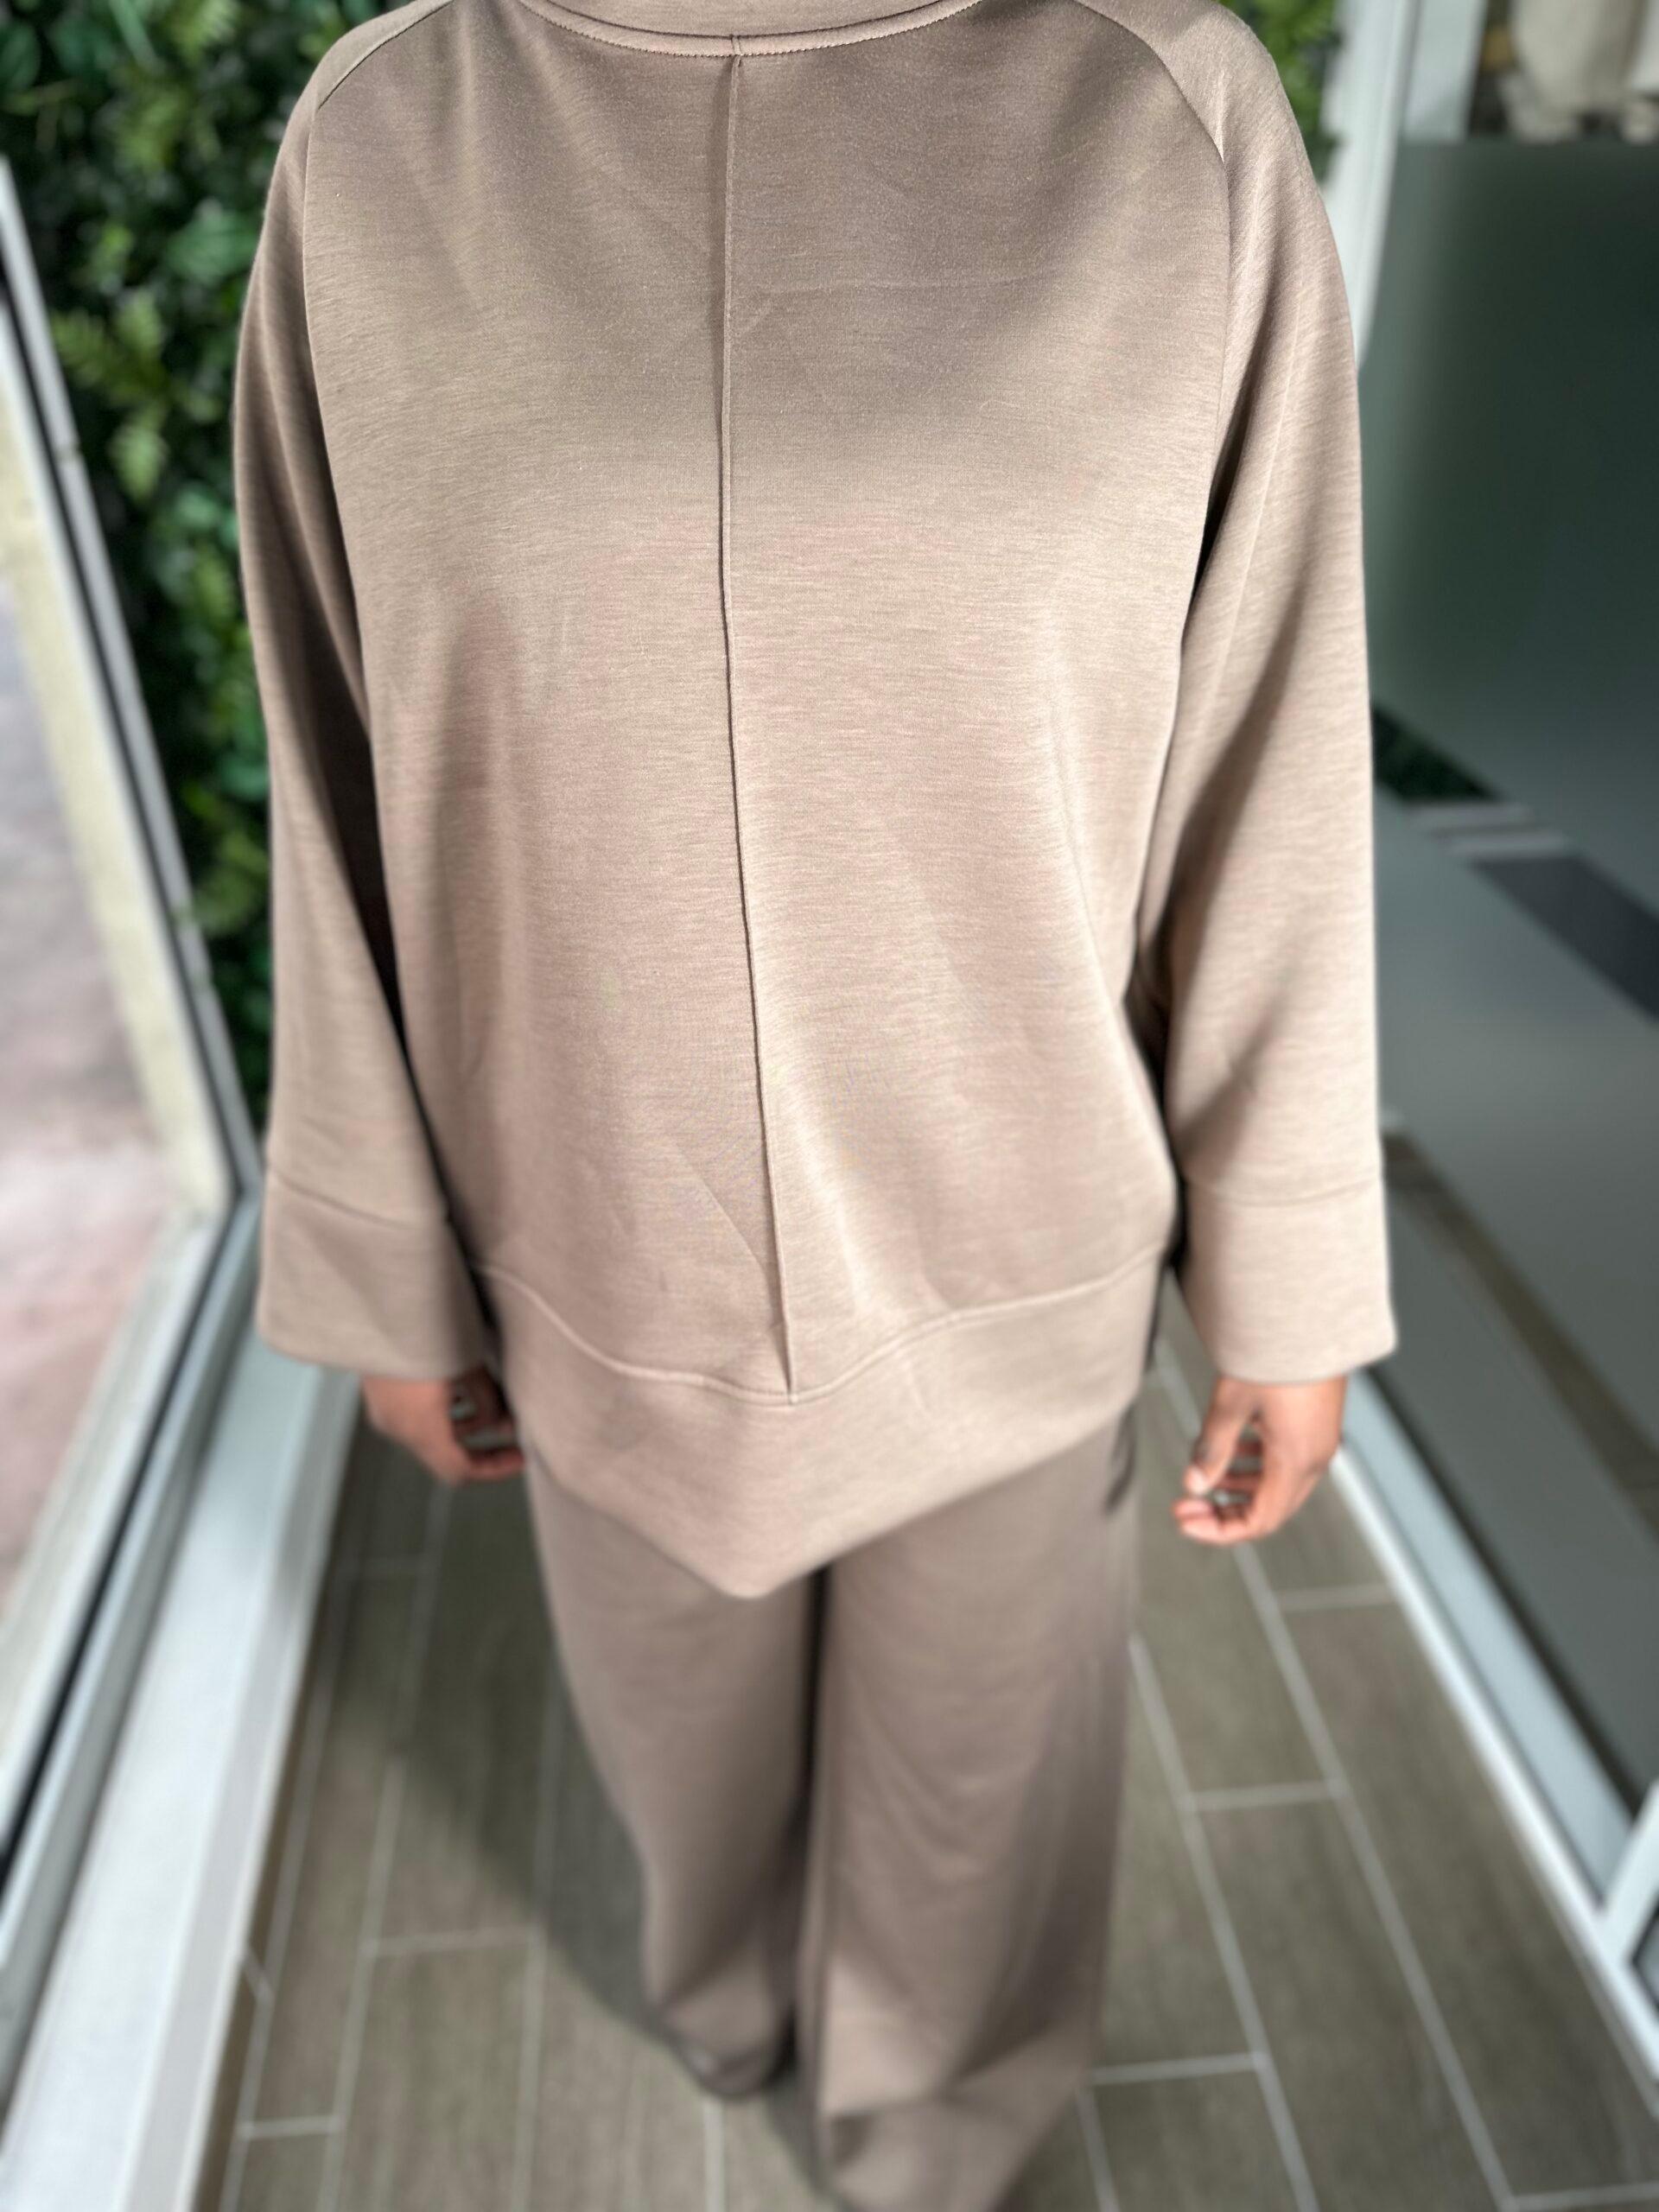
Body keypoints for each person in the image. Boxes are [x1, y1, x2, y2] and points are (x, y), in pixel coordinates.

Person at [231, 0, 1399, 2202]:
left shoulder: (1161, 113)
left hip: (1021, 1241)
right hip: (586, 1259)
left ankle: (933, 2139)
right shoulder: (386, 139)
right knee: (679, 1766)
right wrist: (382, 1262)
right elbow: (330, 759)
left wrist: (1293, 1257)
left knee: (979, 1799)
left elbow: (1270, 737)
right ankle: (725, 2001)